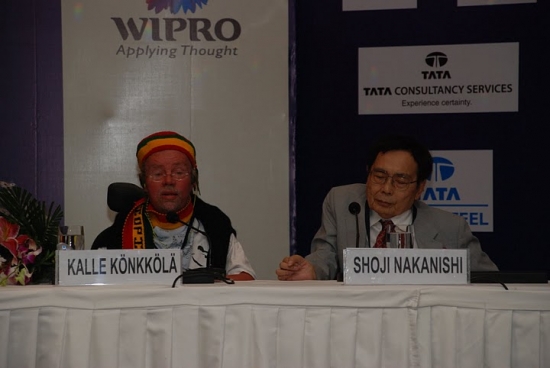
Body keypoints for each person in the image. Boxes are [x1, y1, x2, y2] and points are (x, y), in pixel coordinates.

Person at [276, 134, 498, 281]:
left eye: (400, 181)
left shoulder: (450, 227)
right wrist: (311, 269)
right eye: (379, 176)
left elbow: (490, 281)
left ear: (420, 188)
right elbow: (327, 253)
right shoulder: (342, 201)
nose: (386, 189)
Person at [92, 131, 255, 281]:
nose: (168, 181)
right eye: (157, 174)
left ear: (193, 180)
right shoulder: (116, 235)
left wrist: (206, 285)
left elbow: (245, 277)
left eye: (178, 173)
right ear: (144, 183)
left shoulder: (215, 225)